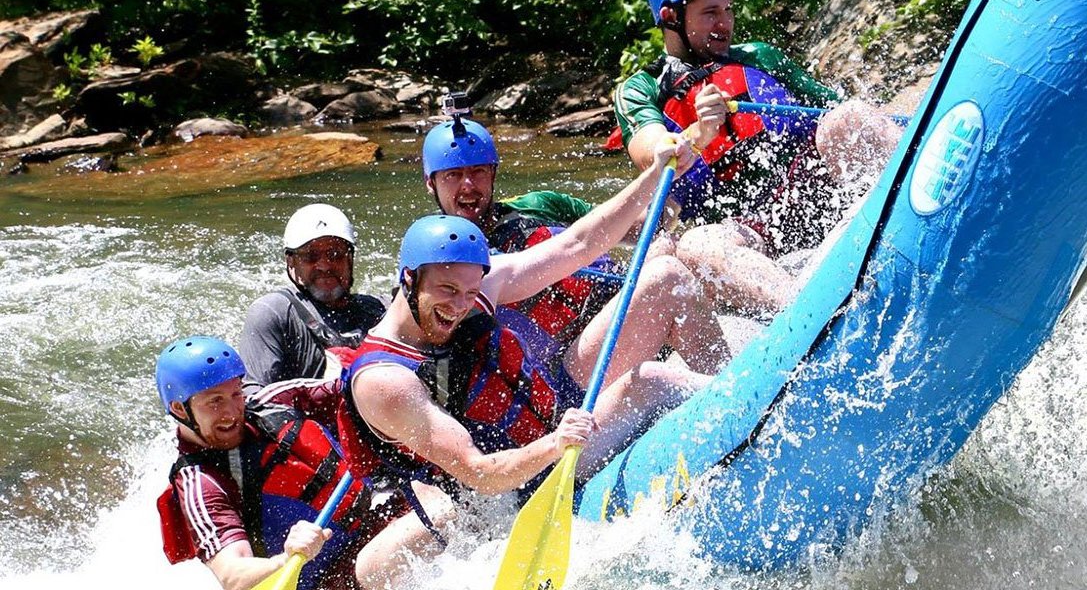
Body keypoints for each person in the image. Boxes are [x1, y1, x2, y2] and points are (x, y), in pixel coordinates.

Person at [337, 140, 710, 563]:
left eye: (470, 291)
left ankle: (759, 379)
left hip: (554, 409)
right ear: (408, 280)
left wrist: (655, 175)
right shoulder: (385, 380)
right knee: (651, 381)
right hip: (521, 480)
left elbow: (578, 244)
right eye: (447, 291)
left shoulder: (472, 284)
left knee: (664, 277)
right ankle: (756, 400)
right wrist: (556, 443)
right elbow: (480, 472)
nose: (460, 306)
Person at [614, 0, 903, 315]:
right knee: (699, 244)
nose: (725, 23)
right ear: (671, 17)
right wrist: (701, 131)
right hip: (748, 226)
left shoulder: (759, 57)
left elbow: (841, 111)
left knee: (847, 119)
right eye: (710, 13)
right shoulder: (640, 91)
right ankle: (813, 315)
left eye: (728, 9)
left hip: (815, 189)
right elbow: (652, 155)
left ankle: (924, 191)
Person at [421, 115, 731, 380]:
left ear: (493, 174)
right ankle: (735, 397)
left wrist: (672, 179)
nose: (468, 186)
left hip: (613, 312)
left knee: (668, 246)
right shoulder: (436, 261)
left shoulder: (539, 204)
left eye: (477, 172)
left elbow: (635, 226)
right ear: (431, 184)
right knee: (665, 277)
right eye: (453, 175)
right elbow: (577, 244)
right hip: (567, 367)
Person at [154, 335, 447, 590]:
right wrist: (288, 556)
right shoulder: (201, 483)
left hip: (374, 521)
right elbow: (236, 577)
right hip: (330, 582)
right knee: (440, 514)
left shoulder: (275, 402)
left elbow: (358, 386)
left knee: (439, 487)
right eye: (214, 402)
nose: (233, 411)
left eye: (235, 394)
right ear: (181, 409)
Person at [239, 203, 387, 396]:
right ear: (291, 262)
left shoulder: (379, 311)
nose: (325, 265)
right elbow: (256, 398)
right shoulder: (272, 314)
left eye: (335, 254)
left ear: (349, 258)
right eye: (310, 255)